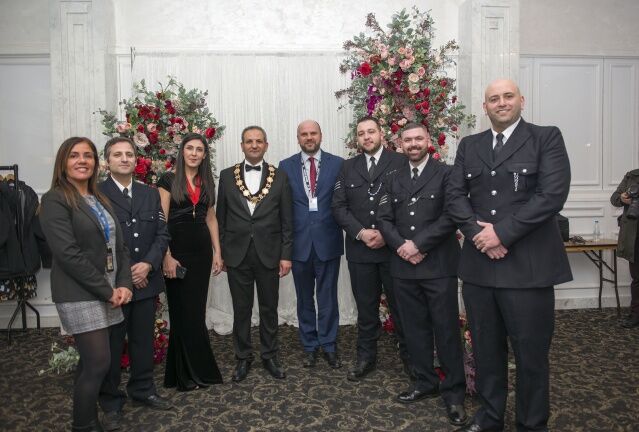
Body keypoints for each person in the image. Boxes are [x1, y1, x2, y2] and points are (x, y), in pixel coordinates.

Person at [447, 79, 572, 432]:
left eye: (507, 96)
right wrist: (479, 235)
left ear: (521, 100)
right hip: (480, 268)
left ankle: (531, 424)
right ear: (484, 107)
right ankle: (490, 417)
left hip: (528, 268)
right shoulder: (469, 145)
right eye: (493, 99)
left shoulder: (545, 138)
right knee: (486, 351)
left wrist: (501, 233)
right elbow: (454, 196)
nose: (501, 103)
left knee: (530, 355)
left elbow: (551, 195)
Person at [376, 123, 467, 426]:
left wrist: (419, 245)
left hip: (438, 265)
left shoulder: (447, 173)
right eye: (408, 140)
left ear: (429, 140)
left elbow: (452, 215)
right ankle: (424, 381)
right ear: (399, 144)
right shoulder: (393, 177)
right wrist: (403, 246)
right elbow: (383, 219)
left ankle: (453, 392)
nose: (413, 144)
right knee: (413, 329)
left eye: (419, 138)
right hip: (404, 266)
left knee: (446, 330)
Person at [40, 137, 133, 432]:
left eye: (88, 155)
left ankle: (85, 419)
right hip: (80, 292)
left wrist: (124, 283)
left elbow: (119, 246)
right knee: (98, 363)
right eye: (74, 155)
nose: (82, 160)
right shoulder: (55, 199)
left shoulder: (99, 198)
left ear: (95, 162)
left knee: (92, 363)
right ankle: (85, 425)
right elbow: (67, 254)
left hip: (110, 289)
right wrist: (107, 291)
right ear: (63, 162)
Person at [97, 137, 172, 430]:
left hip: (147, 280)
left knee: (143, 341)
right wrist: (129, 274)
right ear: (107, 161)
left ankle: (142, 389)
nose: (124, 159)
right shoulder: (96, 194)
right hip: (115, 284)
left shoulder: (150, 194)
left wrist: (149, 264)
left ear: (136, 160)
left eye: (129, 154)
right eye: (117, 154)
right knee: (112, 345)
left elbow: (162, 233)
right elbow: (97, 241)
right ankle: (110, 402)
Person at [331, 116, 410, 381]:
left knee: (401, 308)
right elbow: (339, 207)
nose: (366, 137)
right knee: (366, 310)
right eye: (361, 133)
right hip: (361, 250)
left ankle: (411, 359)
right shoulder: (347, 167)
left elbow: (407, 203)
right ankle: (366, 358)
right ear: (357, 138)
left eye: (371, 131)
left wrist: (387, 235)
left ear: (381, 134)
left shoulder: (400, 162)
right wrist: (362, 232)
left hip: (394, 250)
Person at [216, 125, 293, 381]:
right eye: (249, 141)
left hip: (269, 252)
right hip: (236, 254)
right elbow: (220, 218)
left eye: (259, 141)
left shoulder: (280, 177)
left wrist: (286, 255)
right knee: (241, 309)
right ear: (242, 146)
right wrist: (221, 252)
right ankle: (243, 357)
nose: (254, 145)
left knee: (269, 308)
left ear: (266, 145)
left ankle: (270, 356)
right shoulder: (227, 176)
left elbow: (287, 220)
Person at [157, 132, 223, 391]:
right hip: (177, 252)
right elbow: (161, 220)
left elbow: (211, 219)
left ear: (204, 155)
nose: (194, 153)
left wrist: (218, 252)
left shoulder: (207, 182)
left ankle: (197, 370)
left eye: (199, 149)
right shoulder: (168, 179)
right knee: (180, 311)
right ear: (182, 152)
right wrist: (166, 255)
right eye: (190, 148)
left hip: (202, 253)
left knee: (196, 312)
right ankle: (183, 374)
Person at [279, 120, 344, 369]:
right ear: (298, 138)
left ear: (321, 135)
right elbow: (282, 208)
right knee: (304, 299)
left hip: (328, 241)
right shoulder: (285, 166)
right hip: (299, 244)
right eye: (304, 134)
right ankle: (309, 345)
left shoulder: (338, 164)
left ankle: (329, 344)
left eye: (313, 133)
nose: (309, 137)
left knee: (328, 298)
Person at [611, 169, 639, 328]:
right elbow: (614, 198)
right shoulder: (632, 175)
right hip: (634, 237)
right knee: (637, 278)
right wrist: (622, 198)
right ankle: (636, 315)